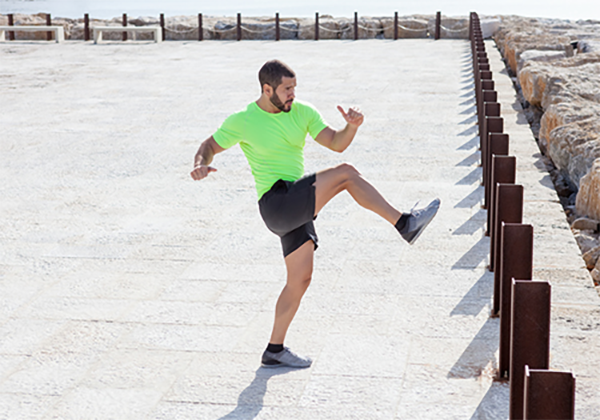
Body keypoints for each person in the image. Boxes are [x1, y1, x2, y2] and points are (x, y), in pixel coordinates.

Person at [191, 59, 440, 369]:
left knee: (300, 280)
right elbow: (209, 145)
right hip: (276, 202)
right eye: (286, 89)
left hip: (296, 202)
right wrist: (200, 163)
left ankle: (274, 349)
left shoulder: (303, 112)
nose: (292, 94)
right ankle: (405, 223)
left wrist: (352, 127)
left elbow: (336, 144)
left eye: (294, 88)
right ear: (267, 89)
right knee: (346, 175)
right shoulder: (243, 120)